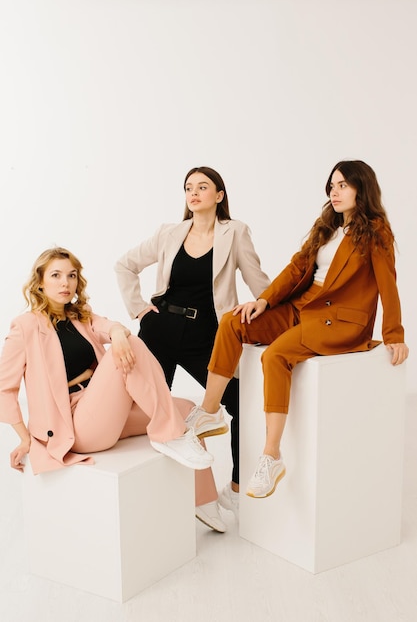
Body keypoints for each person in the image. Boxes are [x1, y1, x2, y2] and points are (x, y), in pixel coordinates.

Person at [186, 159, 409, 499]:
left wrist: (394, 334)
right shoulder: (327, 227)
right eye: (332, 186)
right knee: (234, 321)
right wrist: (264, 301)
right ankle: (210, 412)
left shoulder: (375, 231)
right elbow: (296, 269)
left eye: (343, 185)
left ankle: (271, 455)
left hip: (340, 320)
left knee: (275, 356)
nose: (335, 192)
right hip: (301, 306)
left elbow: (387, 283)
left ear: (362, 189)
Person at [115, 166, 270, 530]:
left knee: (239, 403)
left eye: (203, 186)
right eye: (189, 187)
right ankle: (169, 497)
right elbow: (124, 265)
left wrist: (269, 305)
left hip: (208, 335)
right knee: (147, 410)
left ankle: (232, 487)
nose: (194, 192)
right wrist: (139, 308)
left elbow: (258, 282)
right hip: (161, 330)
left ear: (219, 195)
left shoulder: (235, 232)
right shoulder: (169, 233)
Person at [0, 247, 214, 478]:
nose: (65, 283)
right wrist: (25, 438)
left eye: (71, 275)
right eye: (56, 275)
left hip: (107, 410)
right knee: (126, 348)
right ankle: (169, 434)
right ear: (40, 282)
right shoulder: (25, 327)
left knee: (188, 412)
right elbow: (4, 389)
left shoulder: (81, 317)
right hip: (75, 424)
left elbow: (109, 326)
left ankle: (205, 507)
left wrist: (117, 333)